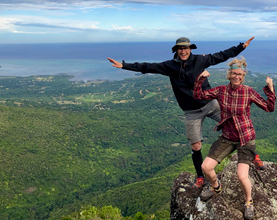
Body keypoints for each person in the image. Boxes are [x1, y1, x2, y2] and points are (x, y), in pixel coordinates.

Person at [107, 37, 265, 188]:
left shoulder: (200, 60)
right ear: (177, 50)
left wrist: (241, 47)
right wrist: (124, 65)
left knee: (236, 125)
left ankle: (253, 156)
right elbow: (148, 67)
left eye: (186, 48)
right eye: (180, 49)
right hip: (191, 111)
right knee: (196, 145)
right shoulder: (170, 66)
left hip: (210, 103)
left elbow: (222, 55)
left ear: (190, 49)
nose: (183, 51)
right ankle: (200, 176)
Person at [193, 57, 275, 220]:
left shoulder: (248, 91)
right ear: (229, 74)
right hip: (228, 137)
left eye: (240, 74)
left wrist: (270, 89)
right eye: (234, 74)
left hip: (246, 138)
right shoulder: (221, 90)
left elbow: (269, 107)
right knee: (206, 167)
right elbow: (198, 95)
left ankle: (248, 202)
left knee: (242, 176)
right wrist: (200, 79)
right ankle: (216, 187)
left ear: (243, 76)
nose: (237, 77)